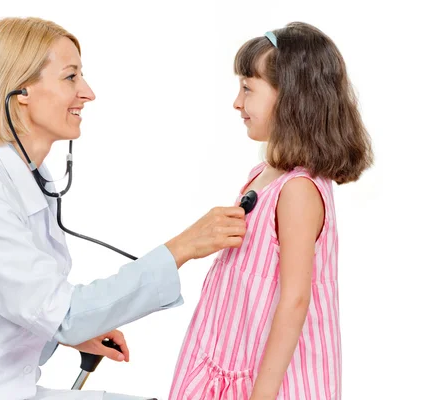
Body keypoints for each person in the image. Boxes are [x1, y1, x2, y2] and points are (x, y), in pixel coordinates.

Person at [0, 17, 248, 400]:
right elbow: (63, 313)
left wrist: (71, 336)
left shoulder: (27, 178)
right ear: (21, 91)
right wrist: (182, 248)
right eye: (70, 77)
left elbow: (21, 305)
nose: (87, 93)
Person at [168, 22, 374, 400]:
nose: (236, 102)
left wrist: (261, 395)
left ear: (291, 98)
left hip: (270, 381)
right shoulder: (262, 175)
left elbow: (295, 299)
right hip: (227, 359)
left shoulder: (297, 191)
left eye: (247, 88)